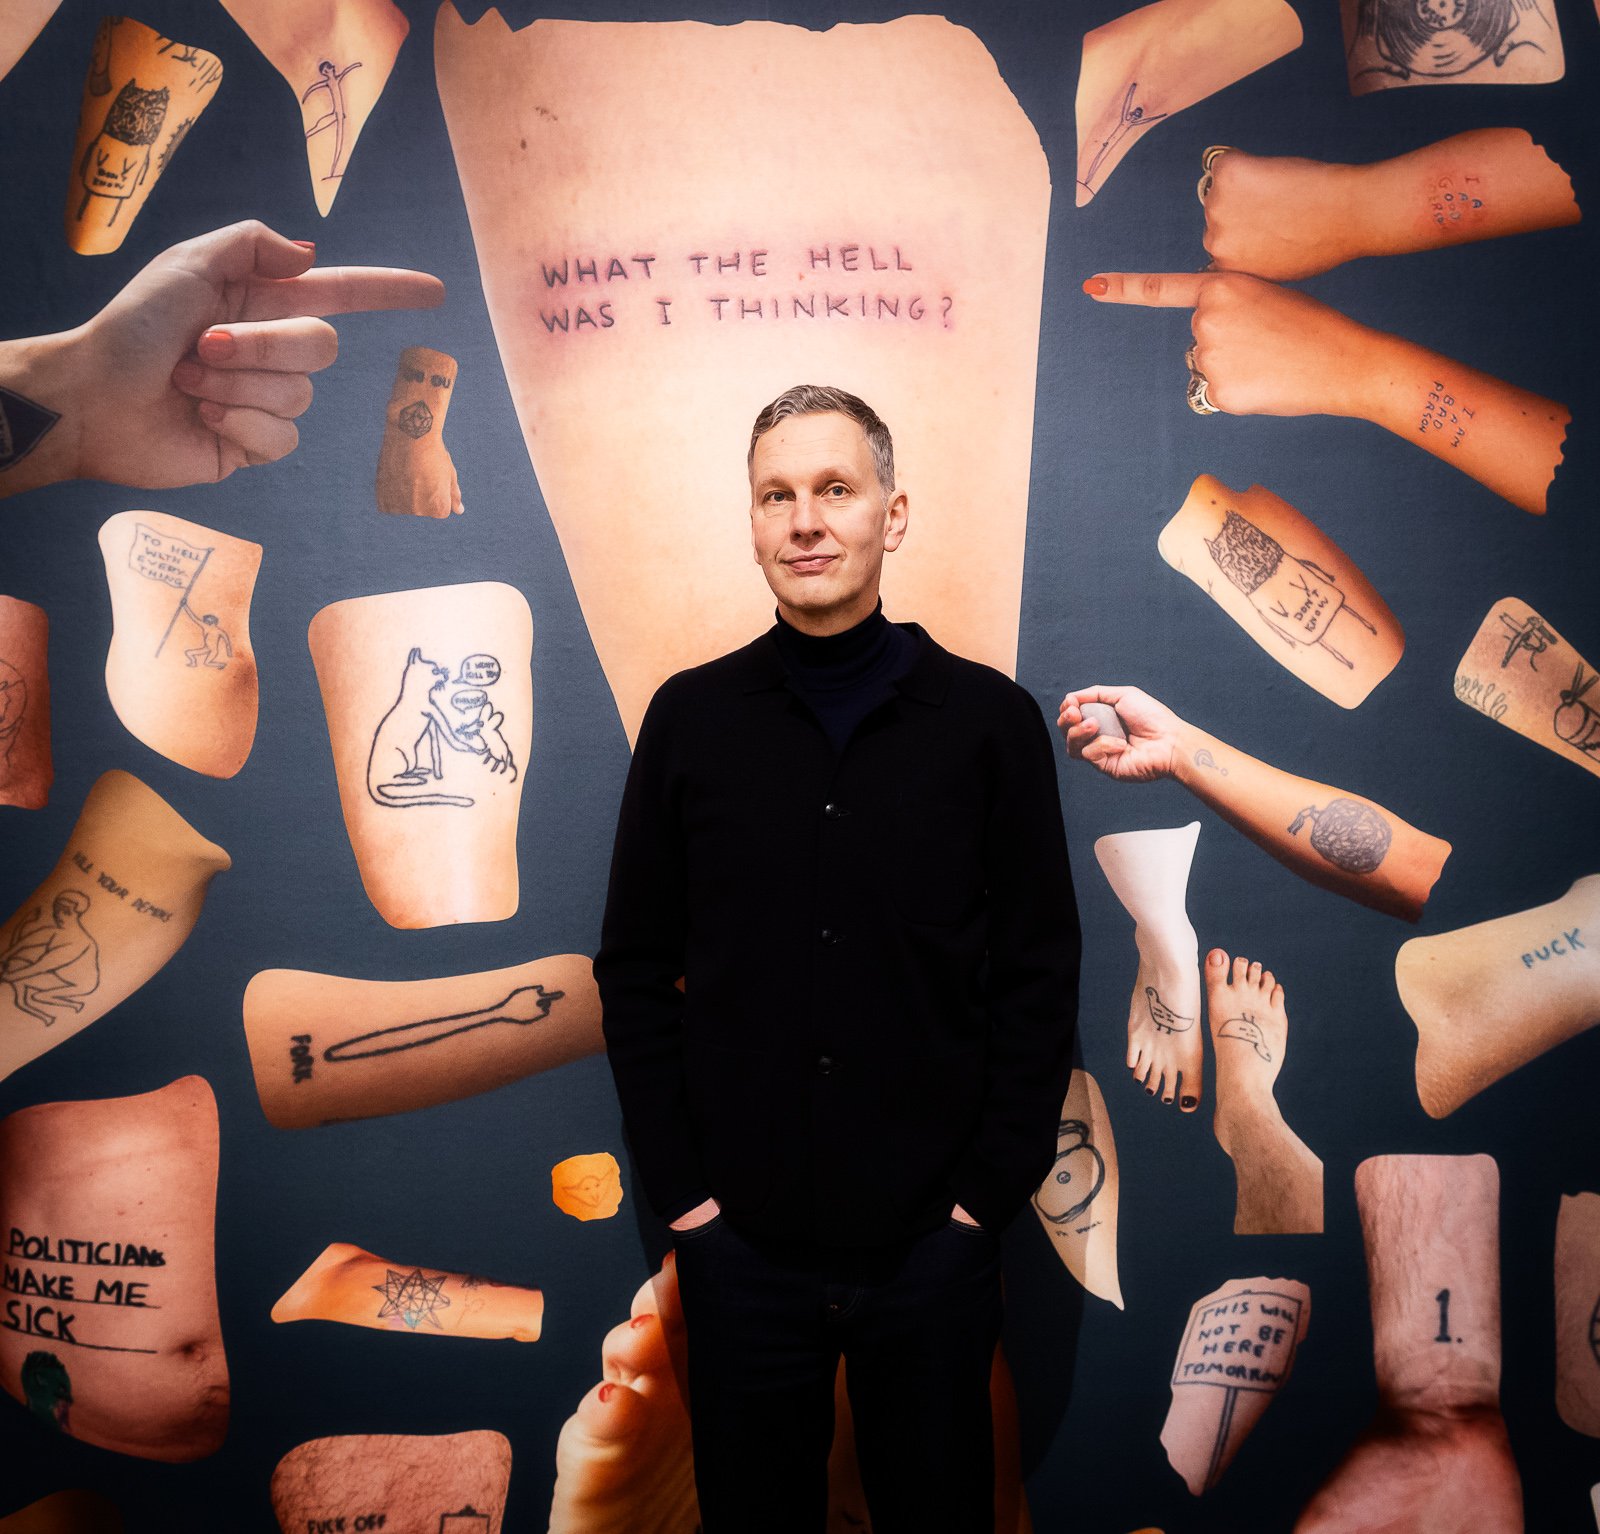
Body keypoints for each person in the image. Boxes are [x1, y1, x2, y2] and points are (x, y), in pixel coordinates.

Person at [595, 384, 1081, 1533]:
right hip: (739, 1255)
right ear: (752, 521)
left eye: (834, 489)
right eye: (777, 495)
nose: (805, 519)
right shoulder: (689, 720)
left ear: (891, 514)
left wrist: (979, 1205)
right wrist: (689, 1206)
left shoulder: (988, 724)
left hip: (933, 1253)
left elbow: (1037, 971)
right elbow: (634, 968)